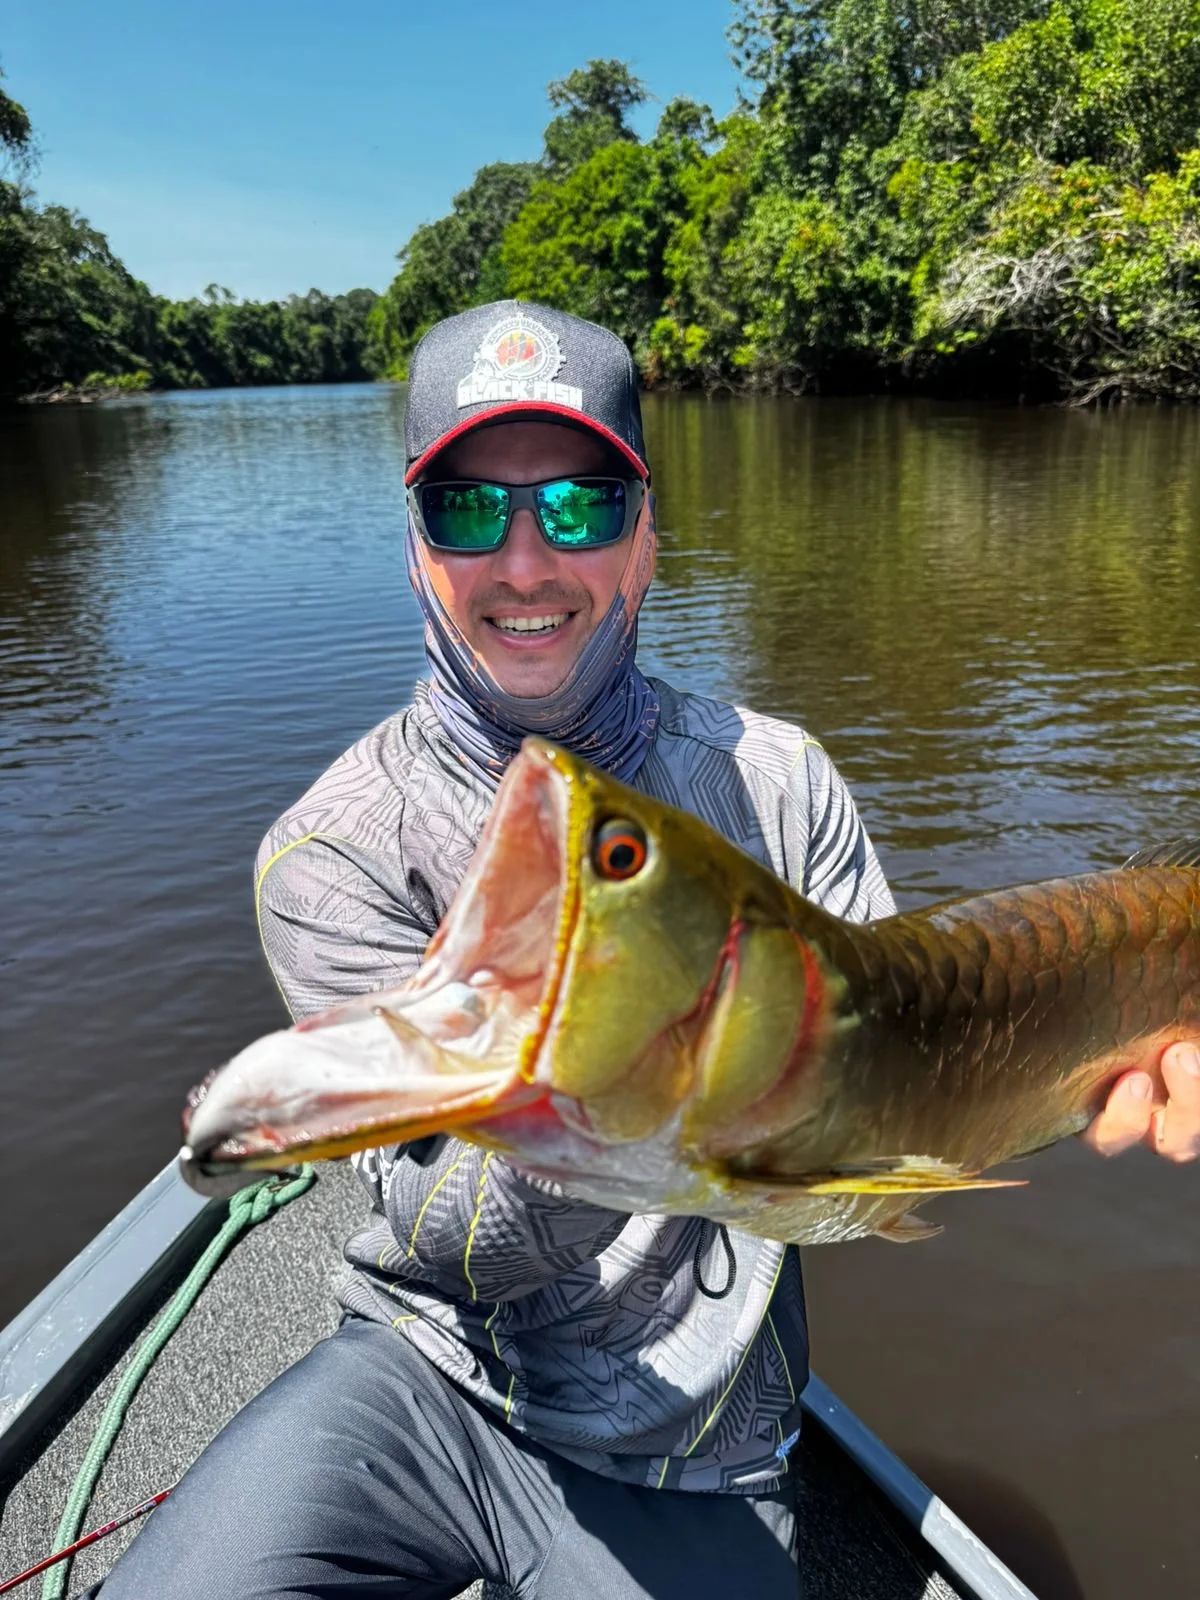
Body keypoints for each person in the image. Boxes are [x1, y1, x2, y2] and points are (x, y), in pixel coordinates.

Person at [96, 301, 1200, 1599]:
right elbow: (444, 1244)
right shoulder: (335, 850)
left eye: (577, 508)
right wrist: (560, 1096)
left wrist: (1095, 1067)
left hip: (700, 1427)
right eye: (466, 508)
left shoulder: (780, 782)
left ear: (646, 545)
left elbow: (886, 1130)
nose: (523, 564)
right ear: (413, 552)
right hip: (425, 1374)